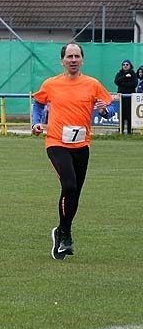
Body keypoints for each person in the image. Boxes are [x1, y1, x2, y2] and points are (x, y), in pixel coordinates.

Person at [31, 42, 112, 260]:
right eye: (69, 56)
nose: (73, 60)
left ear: (82, 60)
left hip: (81, 146)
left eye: (77, 56)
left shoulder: (93, 84)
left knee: (74, 193)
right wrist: (36, 123)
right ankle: (66, 235)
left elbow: (109, 106)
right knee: (69, 184)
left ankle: (61, 230)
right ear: (62, 61)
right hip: (57, 143)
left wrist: (105, 111)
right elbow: (38, 103)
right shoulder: (51, 84)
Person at [113, 58, 137, 135]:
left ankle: (129, 132)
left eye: (127, 64)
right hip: (121, 97)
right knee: (121, 114)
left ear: (130, 66)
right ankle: (121, 131)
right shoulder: (119, 74)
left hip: (130, 97)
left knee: (129, 114)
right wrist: (125, 77)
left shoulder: (133, 74)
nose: (125, 66)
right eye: (124, 65)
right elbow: (116, 81)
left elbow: (134, 84)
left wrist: (123, 84)